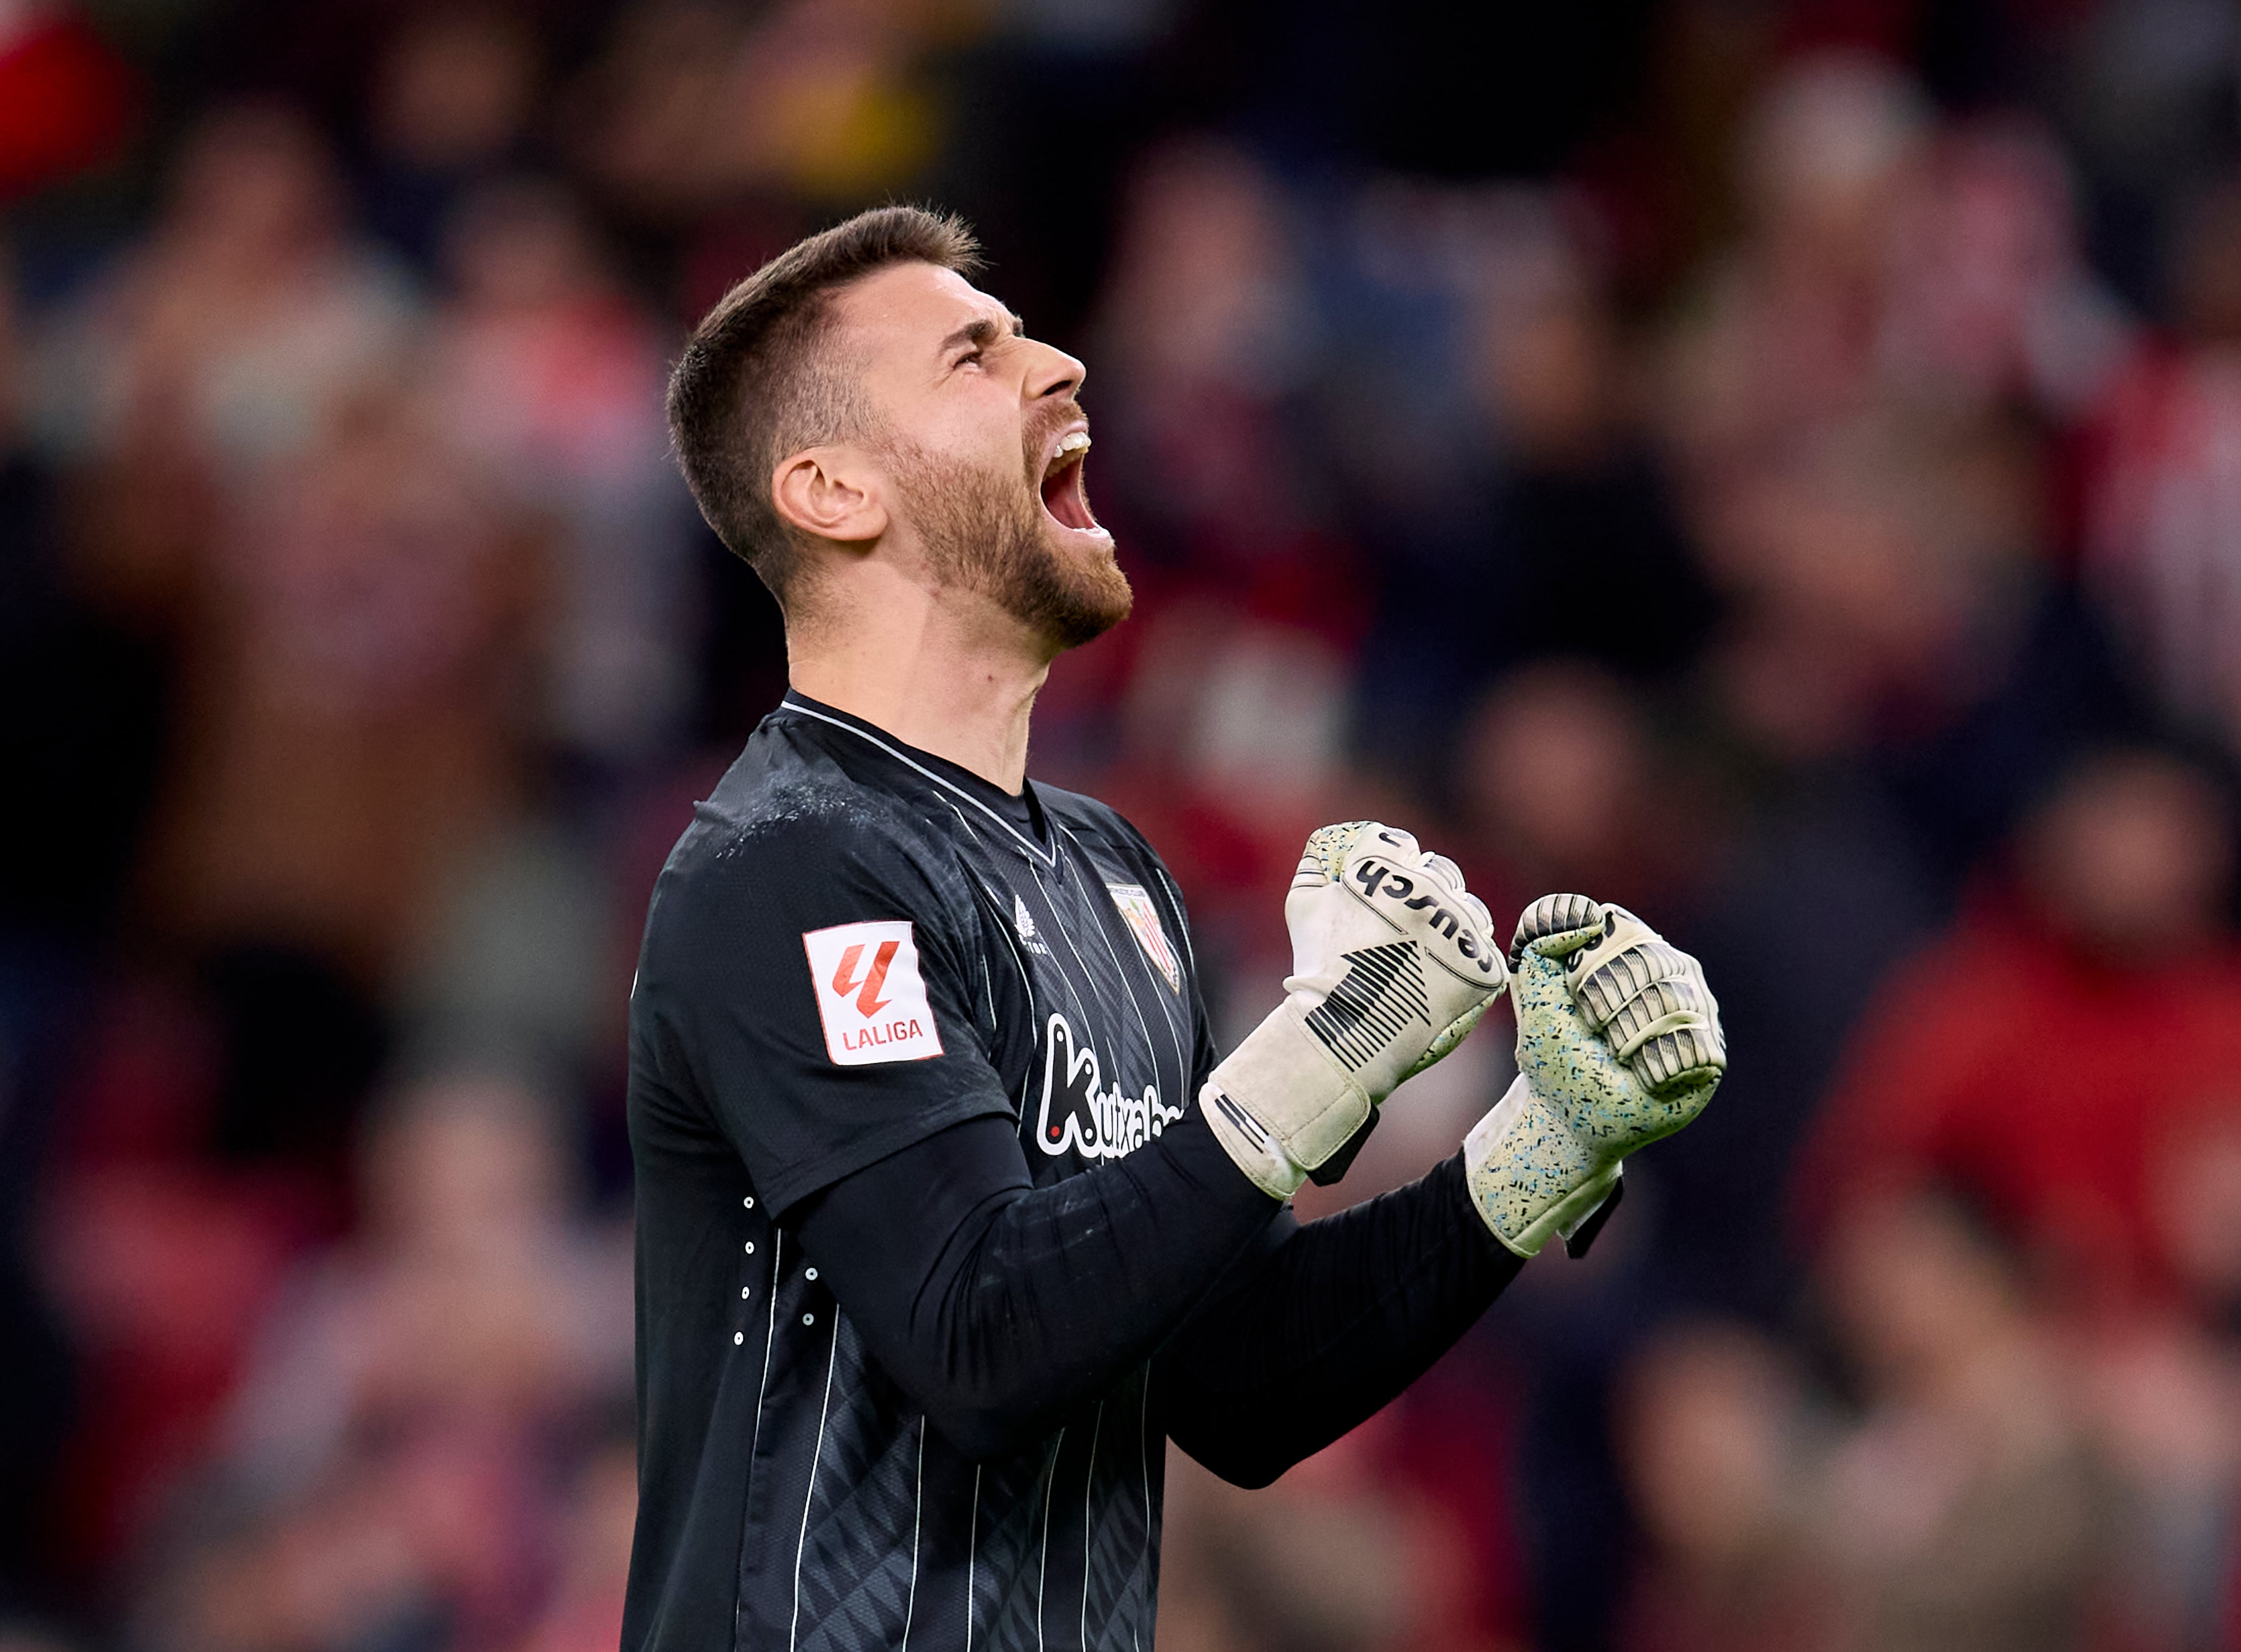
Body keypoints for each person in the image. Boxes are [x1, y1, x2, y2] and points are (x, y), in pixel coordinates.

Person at [623, 206, 1730, 1652]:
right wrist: (1332, 1047)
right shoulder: (786, 866)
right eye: (974, 356)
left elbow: (1236, 1381)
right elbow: (981, 1335)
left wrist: (1539, 1149)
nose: (1063, 366)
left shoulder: (1116, 881)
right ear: (834, 491)